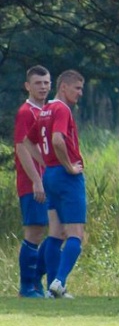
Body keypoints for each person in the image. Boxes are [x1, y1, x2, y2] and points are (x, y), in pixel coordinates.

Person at [24, 69, 86, 299]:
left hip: (50, 174)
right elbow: (57, 140)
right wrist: (69, 166)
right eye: (77, 88)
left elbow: (28, 141)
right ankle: (59, 281)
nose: (80, 93)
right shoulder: (61, 109)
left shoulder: (45, 110)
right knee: (76, 234)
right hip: (66, 176)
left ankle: (51, 286)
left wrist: (47, 162)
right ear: (64, 87)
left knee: (56, 232)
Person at [14, 66, 53, 298]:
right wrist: (37, 181)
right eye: (38, 83)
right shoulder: (26, 112)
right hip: (32, 183)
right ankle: (27, 286)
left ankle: (37, 279)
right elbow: (21, 147)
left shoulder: (48, 111)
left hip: (50, 181)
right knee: (35, 231)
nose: (43, 87)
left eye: (46, 82)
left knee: (59, 230)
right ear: (27, 86)